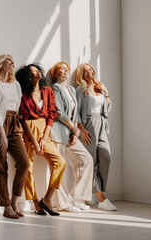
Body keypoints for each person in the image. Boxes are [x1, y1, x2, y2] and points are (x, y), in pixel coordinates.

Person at [16, 63, 66, 216]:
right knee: (27, 168)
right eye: (32, 71)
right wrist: (35, 142)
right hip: (28, 131)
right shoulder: (23, 94)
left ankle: (48, 198)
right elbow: (23, 119)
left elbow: (51, 115)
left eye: (37, 70)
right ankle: (35, 202)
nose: (36, 72)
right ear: (27, 76)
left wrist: (44, 139)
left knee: (60, 163)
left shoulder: (48, 91)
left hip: (44, 129)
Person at [0, 54, 29, 219]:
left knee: (24, 163)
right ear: (0, 64)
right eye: (9, 60)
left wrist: (15, 127)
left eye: (13, 60)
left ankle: (14, 201)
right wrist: (2, 132)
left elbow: (17, 106)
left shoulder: (15, 84)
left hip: (14, 122)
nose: (12, 63)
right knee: (0, 166)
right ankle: (5, 206)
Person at [49, 61, 93, 213]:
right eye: (62, 69)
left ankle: (78, 197)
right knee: (59, 166)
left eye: (67, 69)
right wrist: (73, 128)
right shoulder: (55, 88)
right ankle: (63, 204)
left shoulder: (72, 89)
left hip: (70, 132)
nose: (65, 71)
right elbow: (59, 112)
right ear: (56, 73)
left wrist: (75, 131)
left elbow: (76, 113)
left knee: (86, 160)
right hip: (58, 132)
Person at [75, 63, 116, 211]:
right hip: (89, 126)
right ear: (81, 75)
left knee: (106, 156)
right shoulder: (81, 90)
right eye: (85, 71)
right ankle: (101, 198)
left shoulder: (99, 88)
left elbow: (108, 108)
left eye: (90, 70)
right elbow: (77, 112)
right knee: (91, 162)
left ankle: (96, 191)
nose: (89, 73)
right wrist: (82, 131)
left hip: (102, 125)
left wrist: (106, 93)